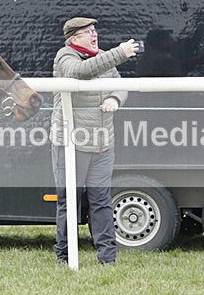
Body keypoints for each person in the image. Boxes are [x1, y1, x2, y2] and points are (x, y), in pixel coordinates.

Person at [50, 17, 139, 265]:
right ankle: (64, 256)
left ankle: (107, 258)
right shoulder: (65, 56)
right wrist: (119, 53)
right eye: (88, 32)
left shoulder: (102, 57)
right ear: (74, 38)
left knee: (101, 201)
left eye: (94, 30)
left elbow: (119, 85)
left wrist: (115, 98)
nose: (94, 35)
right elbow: (81, 72)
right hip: (71, 145)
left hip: (103, 145)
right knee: (69, 201)